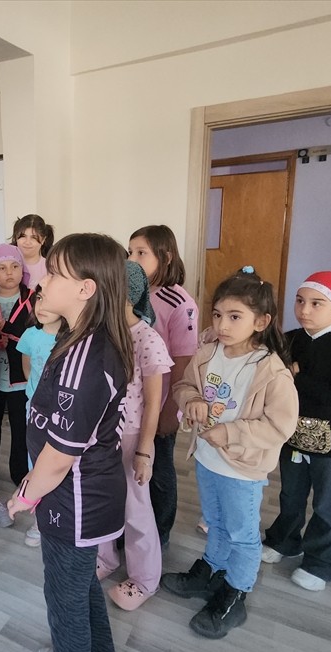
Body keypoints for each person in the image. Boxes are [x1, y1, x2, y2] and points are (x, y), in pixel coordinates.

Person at [7, 233, 132, 652]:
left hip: (74, 498)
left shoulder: (86, 356)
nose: (42, 281)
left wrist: (24, 495)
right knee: (80, 590)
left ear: (85, 288)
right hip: (80, 494)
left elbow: (60, 456)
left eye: (54, 274)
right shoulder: (82, 336)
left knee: (65, 603)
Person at [159, 267, 298, 639]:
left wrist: (231, 432)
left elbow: (280, 425)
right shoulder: (208, 353)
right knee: (216, 523)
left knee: (242, 534)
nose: (222, 324)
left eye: (235, 317)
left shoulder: (271, 371)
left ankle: (236, 593)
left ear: (261, 321)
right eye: (218, 314)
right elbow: (184, 386)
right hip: (207, 459)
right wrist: (191, 400)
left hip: (242, 470)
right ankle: (210, 571)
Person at [261, 271, 331, 592]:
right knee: (291, 493)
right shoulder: (291, 339)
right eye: (299, 301)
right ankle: (285, 540)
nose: (304, 310)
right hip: (291, 434)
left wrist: (297, 377)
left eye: (316, 303)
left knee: (326, 502)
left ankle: (321, 561)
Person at [97, 262, 172, 611]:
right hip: (100, 434)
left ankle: (145, 579)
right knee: (101, 500)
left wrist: (144, 451)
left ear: (127, 296)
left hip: (130, 435)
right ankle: (105, 557)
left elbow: (155, 402)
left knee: (135, 508)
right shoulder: (101, 334)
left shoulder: (147, 339)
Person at [128, 225, 199, 546]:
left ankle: (161, 531)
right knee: (133, 466)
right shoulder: (132, 293)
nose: (132, 259)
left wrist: (171, 411)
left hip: (161, 402)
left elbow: (184, 362)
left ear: (166, 257)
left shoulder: (179, 301)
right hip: (133, 402)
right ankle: (133, 526)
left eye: (141, 253)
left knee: (159, 469)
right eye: (130, 252)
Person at [0, 243, 36, 529]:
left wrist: (10, 333)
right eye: (1, 268)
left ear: (22, 269)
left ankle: (22, 484)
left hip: (22, 382)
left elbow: (39, 333)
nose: (9, 272)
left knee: (22, 436)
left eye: (14, 266)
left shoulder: (34, 299)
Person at [15, 288, 62, 547]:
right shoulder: (30, 336)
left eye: (48, 299)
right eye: (39, 300)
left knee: (59, 464)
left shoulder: (72, 337)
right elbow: (28, 369)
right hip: (35, 410)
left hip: (63, 413)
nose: (42, 306)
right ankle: (40, 519)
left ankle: (58, 516)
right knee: (36, 461)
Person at [10, 214, 54, 285]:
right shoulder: (6, 264)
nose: (27, 242)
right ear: (16, 237)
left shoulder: (50, 268)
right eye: (23, 236)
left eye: (34, 237)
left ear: (43, 240)